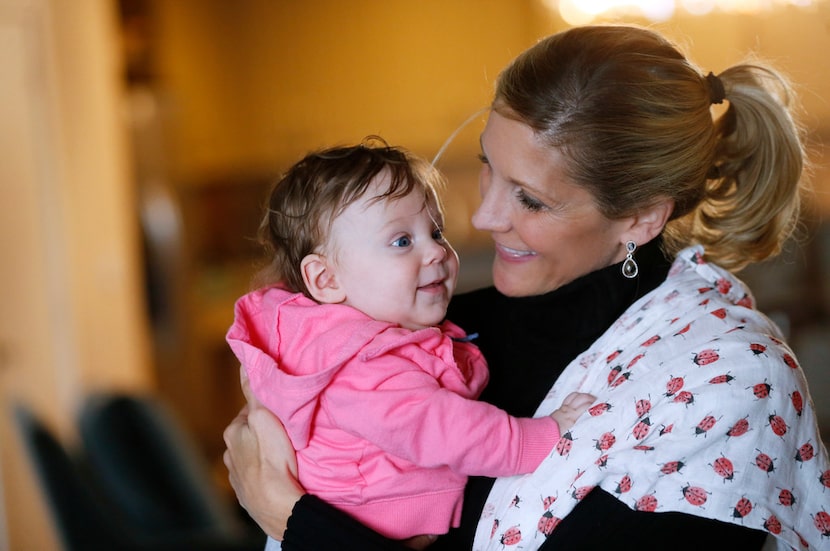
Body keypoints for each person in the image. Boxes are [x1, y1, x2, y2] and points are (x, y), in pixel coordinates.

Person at [223, 25, 830, 550]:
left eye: (530, 199)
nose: (483, 218)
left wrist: (290, 518)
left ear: (642, 216)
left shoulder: (726, 386)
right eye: (488, 163)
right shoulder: (436, 326)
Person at [225, 139, 595, 550]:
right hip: (343, 531)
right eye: (402, 241)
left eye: (436, 231)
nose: (437, 251)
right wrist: (538, 437)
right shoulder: (362, 366)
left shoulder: (366, 335)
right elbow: (447, 429)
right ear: (326, 280)